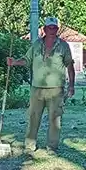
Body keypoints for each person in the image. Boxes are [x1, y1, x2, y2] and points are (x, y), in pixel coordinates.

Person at [8, 17, 75, 153]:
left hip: (56, 89)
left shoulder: (63, 45)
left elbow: (70, 65)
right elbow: (27, 60)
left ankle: (52, 146)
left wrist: (71, 85)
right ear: (44, 29)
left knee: (55, 119)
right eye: (49, 28)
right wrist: (14, 62)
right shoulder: (36, 44)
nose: (52, 30)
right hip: (36, 88)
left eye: (54, 28)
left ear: (57, 29)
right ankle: (29, 145)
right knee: (33, 117)